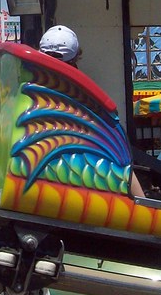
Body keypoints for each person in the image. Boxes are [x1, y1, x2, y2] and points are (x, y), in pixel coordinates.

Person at [38, 25, 145, 198]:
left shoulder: (35, 85)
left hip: (51, 157)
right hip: (75, 157)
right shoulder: (79, 88)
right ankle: (142, 205)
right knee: (122, 158)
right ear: (74, 60)